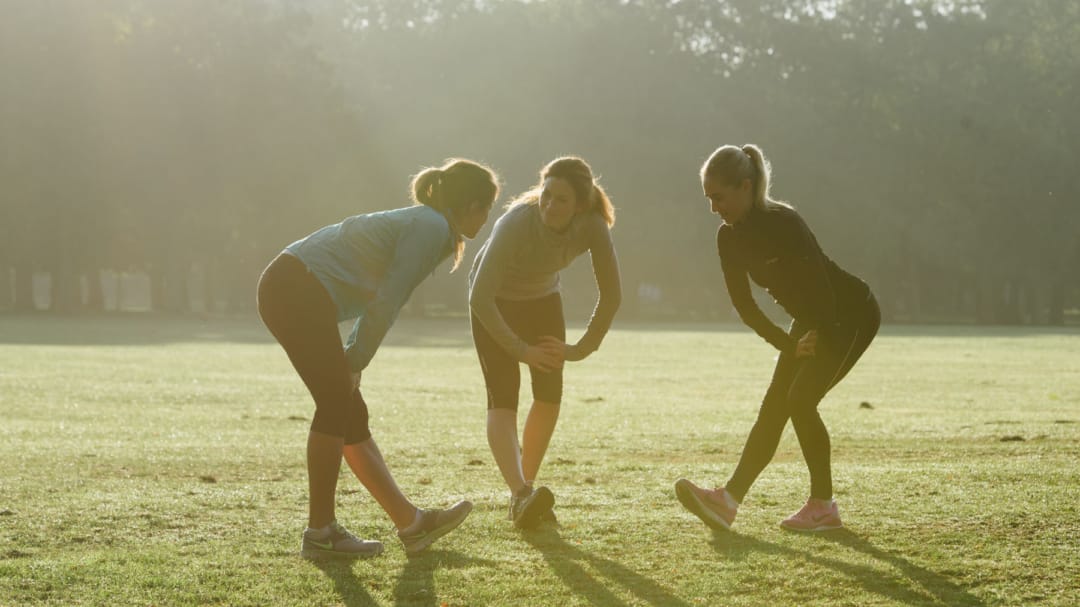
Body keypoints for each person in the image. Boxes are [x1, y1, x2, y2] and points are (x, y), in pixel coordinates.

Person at [257, 158, 499, 558]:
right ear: (471, 204)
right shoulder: (432, 227)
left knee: (351, 413)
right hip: (294, 287)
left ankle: (412, 524)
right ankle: (320, 533)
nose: (487, 217)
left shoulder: (432, 225)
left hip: (293, 287)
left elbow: (379, 297)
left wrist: (354, 358)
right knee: (337, 402)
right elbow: (387, 299)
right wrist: (356, 360)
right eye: (486, 207)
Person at [675, 144, 880, 532]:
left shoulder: (783, 222)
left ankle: (824, 507)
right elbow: (745, 305)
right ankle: (727, 502)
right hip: (810, 319)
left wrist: (817, 337)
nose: (714, 207)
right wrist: (790, 345)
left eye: (719, 197)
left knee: (800, 400)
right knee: (774, 407)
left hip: (849, 314)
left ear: (746, 186)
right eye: (708, 199)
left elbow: (820, 285)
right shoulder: (728, 238)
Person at [469, 156, 621, 529]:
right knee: (504, 398)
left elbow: (612, 294)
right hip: (494, 303)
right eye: (546, 194)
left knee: (549, 395)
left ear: (580, 206)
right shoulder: (516, 223)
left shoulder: (593, 226)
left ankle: (526, 491)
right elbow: (479, 297)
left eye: (561, 200)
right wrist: (522, 350)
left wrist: (579, 350)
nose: (550, 205)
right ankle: (521, 493)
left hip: (542, 301)